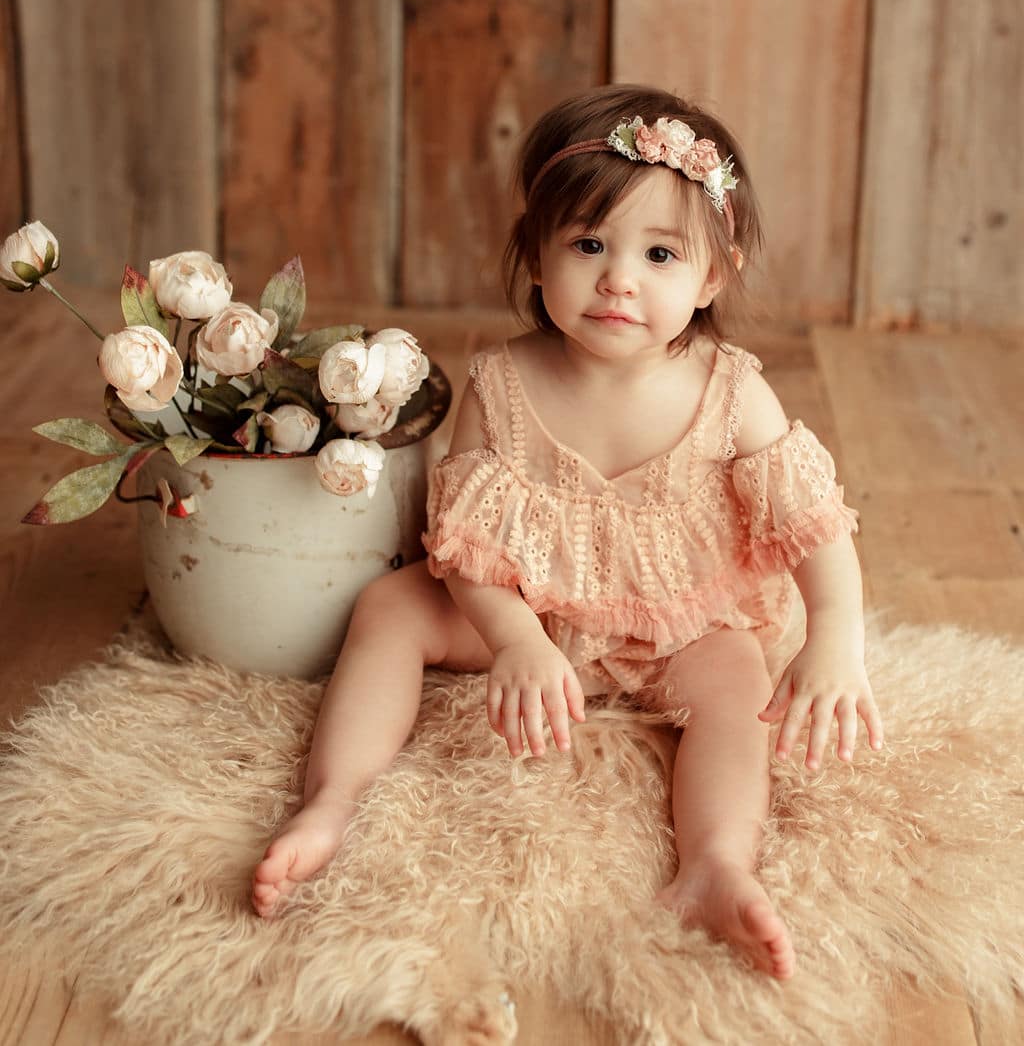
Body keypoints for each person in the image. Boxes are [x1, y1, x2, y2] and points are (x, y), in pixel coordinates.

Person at [251, 83, 883, 981]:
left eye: (660, 253)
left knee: (738, 681)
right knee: (394, 605)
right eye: (589, 244)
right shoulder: (503, 385)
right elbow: (464, 545)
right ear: (538, 259)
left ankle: (715, 863)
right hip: (534, 609)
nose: (619, 278)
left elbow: (816, 527)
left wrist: (837, 643)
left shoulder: (733, 393)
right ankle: (330, 802)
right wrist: (514, 639)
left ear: (712, 276)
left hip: (680, 622)